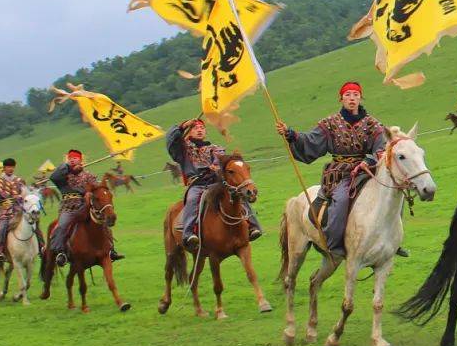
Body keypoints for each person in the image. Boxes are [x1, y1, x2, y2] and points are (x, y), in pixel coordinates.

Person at [275, 82, 391, 258]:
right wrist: (290, 134)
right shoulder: (330, 123)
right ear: (341, 99)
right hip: (340, 174)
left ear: (360, 98)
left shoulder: (372, 124)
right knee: (342, 199)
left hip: (366, 171)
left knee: (389, 193)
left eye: (355, 95)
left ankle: (391, 241)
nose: (352, 98)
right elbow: (311, 140)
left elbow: (381, 148)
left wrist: (369, 161)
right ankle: (335, 243)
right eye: (348, 95)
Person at [166, 118, 263, 251]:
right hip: (197, 184)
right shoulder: (183, 149)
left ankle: (253, 226)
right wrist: (183, 125)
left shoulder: (215, 149)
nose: (199, 130)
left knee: (237, 193)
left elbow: (226, 163)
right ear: (189, 132)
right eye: (195, 128)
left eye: (202, 128)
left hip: (216, 183)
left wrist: (219, 167)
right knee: (193, 199)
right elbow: (171, 139)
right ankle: (189, 233)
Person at [48, 149, 124, 266]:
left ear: (81, 160)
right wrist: (67, 167)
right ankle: (61, 253)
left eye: (75, 158)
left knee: (102, 222)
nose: (72, 160)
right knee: (62, 225)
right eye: (70, 159)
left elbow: (97, 189)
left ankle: (111, 250)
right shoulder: (63, 176)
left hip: (84, 206)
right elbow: (53, 177)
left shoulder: (88, 175)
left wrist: (90, 193)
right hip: (68, 208)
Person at [0, 158, 42, 262]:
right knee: (2, 227)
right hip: (5, 211)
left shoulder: (20, 181)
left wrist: (23, 197)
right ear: (4, 168)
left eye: (12, 167)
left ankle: (41, 247)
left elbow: (25, 194)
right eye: (8, 167)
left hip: (19, 210)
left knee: (34, 222)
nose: (11, 169)